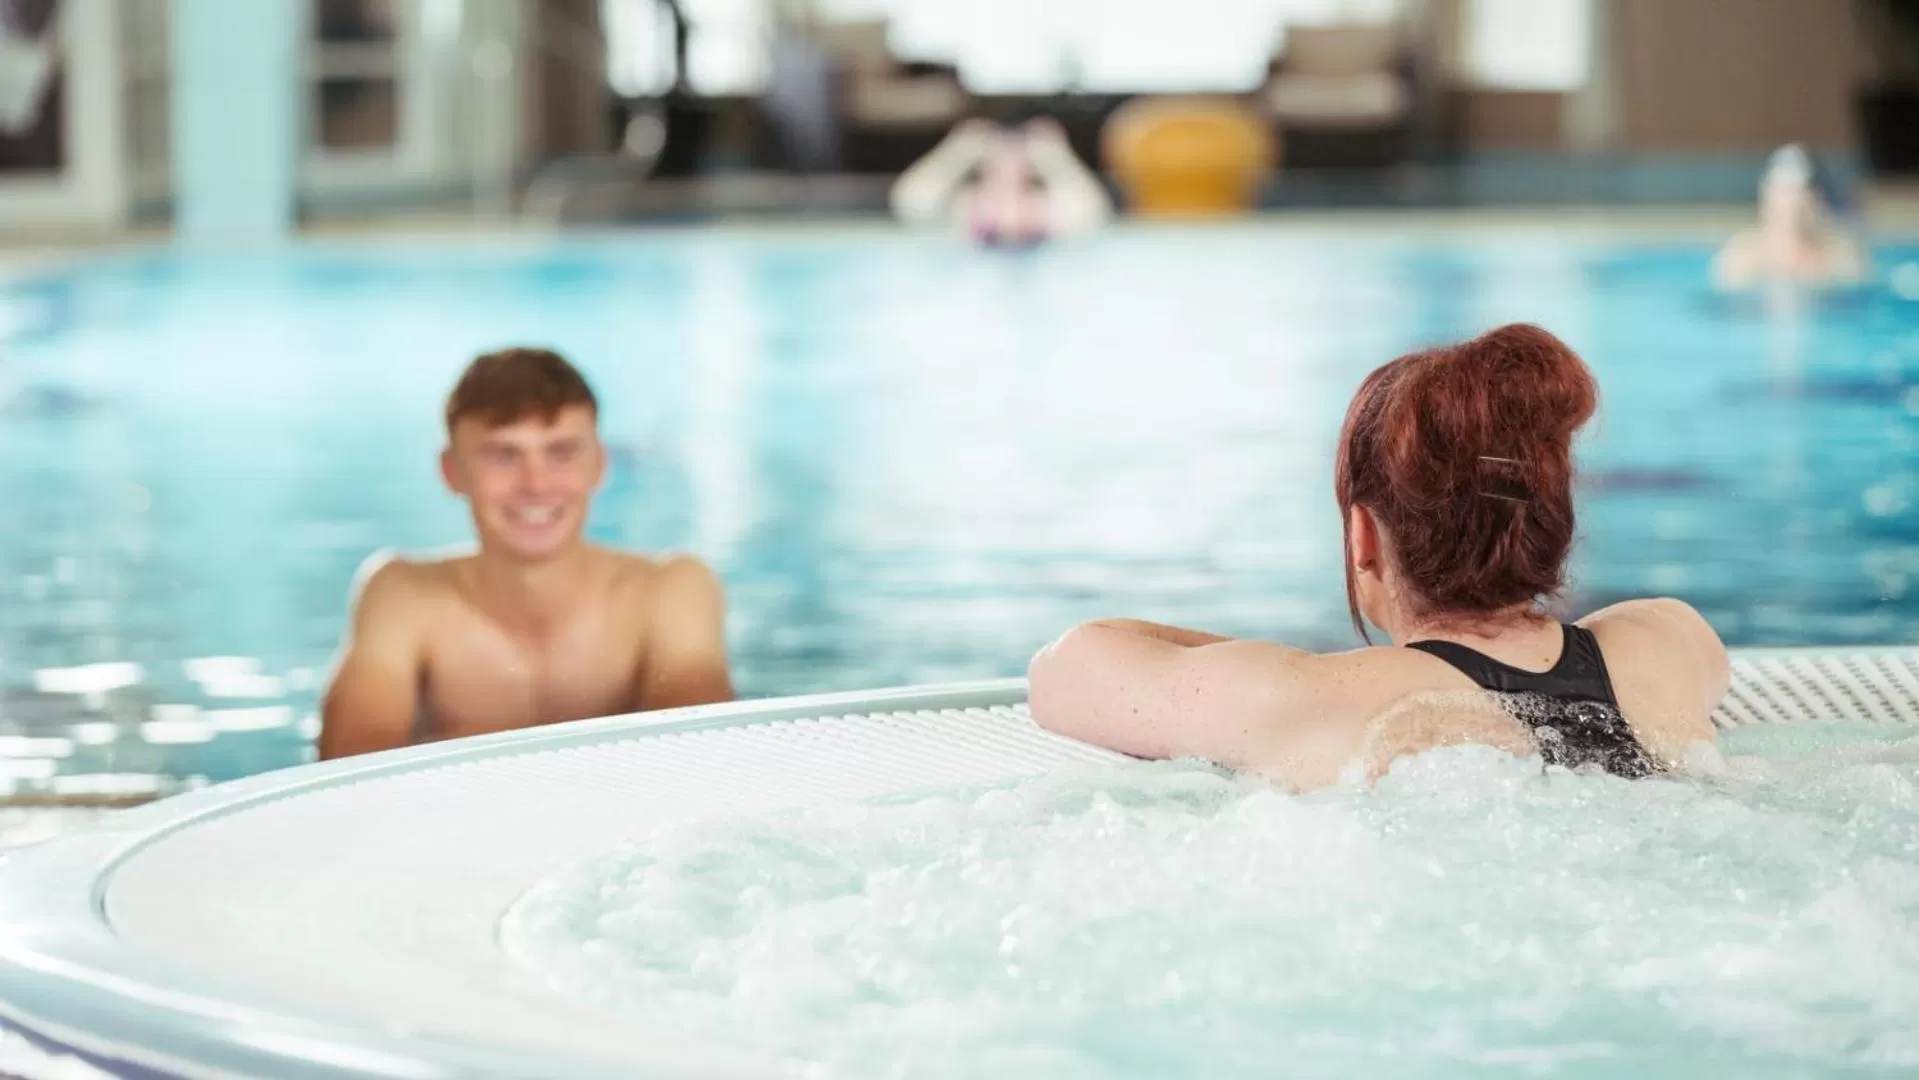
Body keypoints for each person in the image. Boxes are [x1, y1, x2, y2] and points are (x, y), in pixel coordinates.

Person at [1027, 324, 1729, 792]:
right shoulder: (1666, 641)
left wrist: (1301, 664)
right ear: (1552, 525)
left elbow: (1064, 668)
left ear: (1363, 536)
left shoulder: (1308, 698)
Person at [319, 348, 733, 760]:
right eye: (504, 455)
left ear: (599, 465)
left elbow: (702, 766)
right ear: (451, 471)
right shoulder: (402, 596)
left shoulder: (670, 591)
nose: (536, 484)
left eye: (561, 452)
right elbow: (345, 778)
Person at [890, 115, 1112, 245]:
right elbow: (912, 204)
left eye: (1017, 152)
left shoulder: (1044, 209)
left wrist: (1056, 157)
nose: (1009, 162)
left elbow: (1091, 216)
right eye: (1001, 151)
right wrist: (958, 150)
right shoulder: (969, 207)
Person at [1713, 143, 1869, 291]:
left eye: (1801, 192)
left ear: (1818, 202)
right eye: (1785, 191)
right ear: (1765, 197)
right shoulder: (1742, 256)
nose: (1792, 202)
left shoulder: (1840, 257)